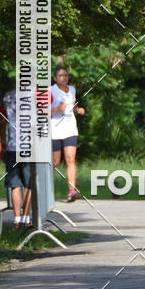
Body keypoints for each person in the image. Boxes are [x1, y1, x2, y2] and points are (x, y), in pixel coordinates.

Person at [51, 66, 85, 202]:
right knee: (55, 162)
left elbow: (72, 105)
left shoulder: (72, 90)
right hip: (55, 129)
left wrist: (78, 109)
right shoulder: (50, 91)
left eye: (65, 75)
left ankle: (72, 191)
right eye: (60, 76)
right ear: (55, 78)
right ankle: (45, 188)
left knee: (70, 159)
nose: (63, 78)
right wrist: (57, 108)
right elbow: (41, 111)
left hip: (70, 128)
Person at [0, 88, 32, 230]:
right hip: (29, 145)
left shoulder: (7, 96)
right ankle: (26, 218)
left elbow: (2, 121)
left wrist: (3, 143)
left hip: (12, 146)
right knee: (30, 185)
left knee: (15, 185)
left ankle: (17, 219)